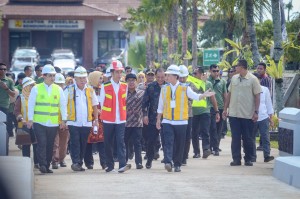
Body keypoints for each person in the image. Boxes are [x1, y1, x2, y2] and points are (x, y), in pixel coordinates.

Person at [156, 65, 215, 172]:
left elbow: (196, 96)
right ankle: (168, 161)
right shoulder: (164, 88)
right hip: (167, 121)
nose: (166, 77)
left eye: (168, 75)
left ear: (175, 76)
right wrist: (158, 119)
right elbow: (160, 105)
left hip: (181, 122)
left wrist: (204, 95)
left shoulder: (185, 88)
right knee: (168, 142)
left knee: (180, 144)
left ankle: (177, 164)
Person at [27, 64, 67, 174]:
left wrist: (64, 120)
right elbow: (31, 104)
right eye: (50, 75)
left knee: (50, 145)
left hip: (53, 123)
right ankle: (42, 164)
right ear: (43, 76)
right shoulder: (36, 88)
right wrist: (30, 119)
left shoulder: (58, 89)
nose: (52, 78)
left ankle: (47, 164)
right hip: (39, 122)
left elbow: (63, 105)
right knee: (42, 143)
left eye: (54, 76)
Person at [223, 59, 261, 167]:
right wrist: (225, 109)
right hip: (234, 114)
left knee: (247, 138)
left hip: (247, 115)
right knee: (235, 138)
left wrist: (256, 112)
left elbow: (258, 96)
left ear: (243, 67)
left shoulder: (253, 79)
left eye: (237, 66)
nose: (235, 68)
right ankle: (236, 159)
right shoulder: (234, 78)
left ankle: (248, 159)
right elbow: (229, 94)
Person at [99, 60, 131, 173]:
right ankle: (110, 165)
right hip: (108, 119)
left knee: (121, 142)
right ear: (112, 73)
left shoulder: (124, 86)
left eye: (120, 72)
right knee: (108, 142)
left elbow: (124, 101)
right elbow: (101, 103)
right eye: (117, 72)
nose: (119, 74)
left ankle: (122, 165)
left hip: (121, 119)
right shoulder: (105, 86)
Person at [64, 67, 99, 172]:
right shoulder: (69, 90)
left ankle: (79, 162)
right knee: (75, 142)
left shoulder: (90, 90)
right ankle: (75, 162)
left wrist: (96, 119)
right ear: (75, 79)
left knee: (83, 143)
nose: (83, 80)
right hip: (73, 121)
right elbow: (63, 105)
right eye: (80, 78)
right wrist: (64, 120)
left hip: (87, 122)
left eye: (84, 78)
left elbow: (94, 106)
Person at [189, 67, 219, 159]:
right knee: (194, 133)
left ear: (201, 74)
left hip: (205, 111)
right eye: (193, 73)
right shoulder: (190, 84)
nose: (194, 75)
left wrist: (217, 111)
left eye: (196, 73)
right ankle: (196, 152)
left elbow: (212, 98)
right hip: (193, 112)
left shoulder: (208, 83)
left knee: (205, 131)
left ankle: (206, 149)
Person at [142, 68, 165, 169]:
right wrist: (145, 115)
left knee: (167, 140)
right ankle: (149, 160)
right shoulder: (151, 87)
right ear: (155, 76)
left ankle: (168, 159)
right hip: (153, 118)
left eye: (162, 77)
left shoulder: (168, 87)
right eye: (158, 77)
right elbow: (145, 102)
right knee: (150, 140)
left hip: (166, 118)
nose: (160, 79)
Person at [14, 77, 38, 168]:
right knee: (25, 145)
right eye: (31, 85)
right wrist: (21, 119)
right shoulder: (21, 97)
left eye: (33, 85)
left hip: (35, 124)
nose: (33, 87)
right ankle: (26, 163)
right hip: (23, 124)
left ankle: (37, 163)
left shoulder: (37, 96)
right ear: (26, 87)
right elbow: (16, 111)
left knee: (37, 145)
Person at [84, 71, 106, 170]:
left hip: (101, 119)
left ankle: (104, 163)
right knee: (88, 141)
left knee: (102, 141)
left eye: (101, 78)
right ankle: (89, 163)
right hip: (89, 118)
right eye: (99, 78)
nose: (101, 81)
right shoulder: (87, 89)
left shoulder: (104, 89)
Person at [252, 74, 275, 163]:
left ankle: (267, 155)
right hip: (252, 117)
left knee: (265, 137)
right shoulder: (249, 90)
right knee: (251, 137)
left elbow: (268, 103)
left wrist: (271, 117)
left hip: (263, 116)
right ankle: (252, 156)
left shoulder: (265, 90)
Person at [124, 73, 144, 169]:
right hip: (125, 123)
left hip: (137, 122)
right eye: (129, 80)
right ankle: (124, 161)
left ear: (136, 82)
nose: (131, 82)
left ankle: (139, 163)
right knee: (124, 142)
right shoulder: (122, 93)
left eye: (133, 80)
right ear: (126, 82)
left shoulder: (141, 93)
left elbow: (145, 106)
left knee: (137, 143)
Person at [51, 73, 70, 169]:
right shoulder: (50, 93)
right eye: (58, 84)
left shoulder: (68, 93)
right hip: (53, 122)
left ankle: (62, 159)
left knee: (63, 143)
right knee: (55, 143)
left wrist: (66, 121)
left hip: (64, 122)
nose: (60, 86)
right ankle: (54, 160)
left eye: (61, 84)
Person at [207, 64, 227, 156]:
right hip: (210, 107)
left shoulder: (222, 82)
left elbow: (225, 95)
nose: (216, 73)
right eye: (214, 71)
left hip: (221, 107)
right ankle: (213, 147)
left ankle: (216, 146)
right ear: (210, 71)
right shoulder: (207, 81)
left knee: (219, 130)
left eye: (217, 71)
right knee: (212, 128)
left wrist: (226, 108)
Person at [178, 65, 196, 165]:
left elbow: (192, 97)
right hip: (176, 115)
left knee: (186, 137)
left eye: (183, 77)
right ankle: (177, 156)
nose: (181, 79)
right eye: (180, 77)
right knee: (177, 137)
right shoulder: (173, 85)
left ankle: (184, 157)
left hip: (188, 114)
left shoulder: (190, 86)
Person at [256, 62, 272, 151]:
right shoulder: (259, 79)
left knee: (264, 134)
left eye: (261, 69)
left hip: (263, 110)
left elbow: (267, 96)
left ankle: (265, 150)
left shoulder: (265, 79)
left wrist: (270, 113)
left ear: (265, 69)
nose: (259, 70)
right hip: (257, 111)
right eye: (258, 68)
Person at [0, 63, 16, 155]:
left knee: (4, 130)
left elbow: (13, 94)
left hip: (4, 107)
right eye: (1, 69)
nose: (2, 71)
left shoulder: (9, 81)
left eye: (4, 69)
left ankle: (4, 151)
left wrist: (6, 88)